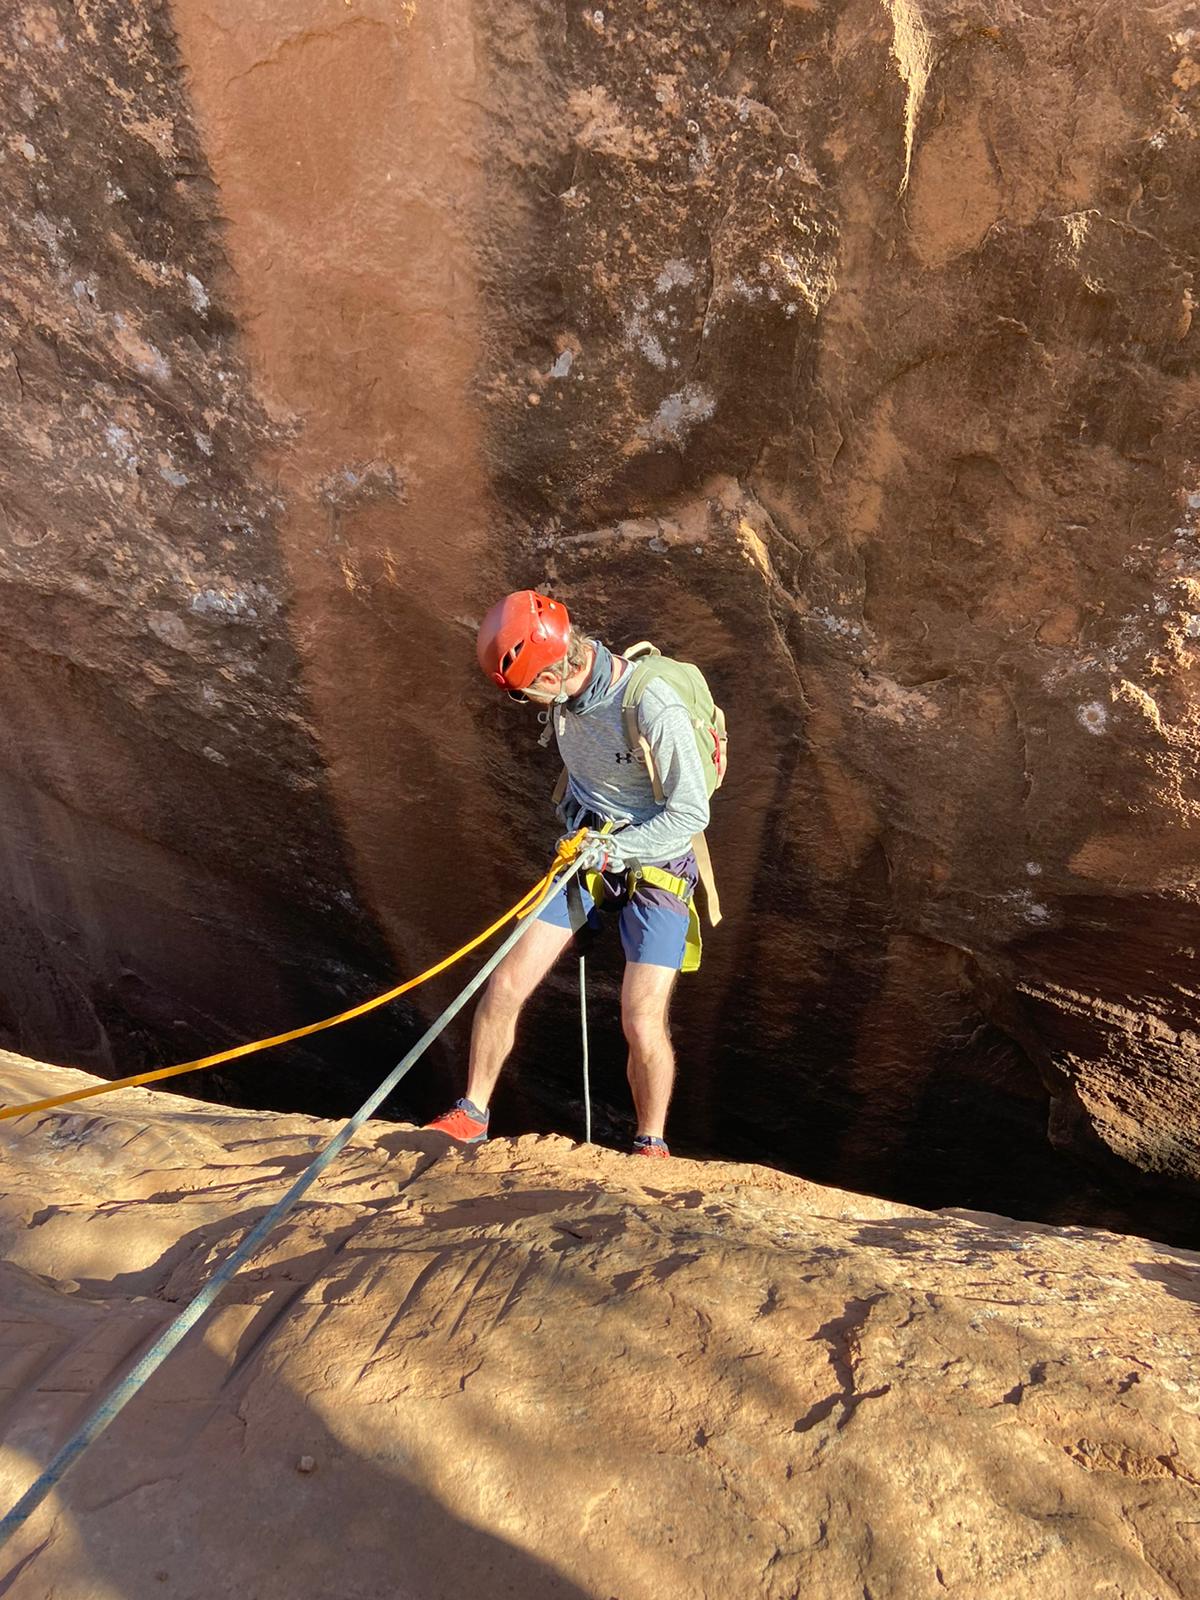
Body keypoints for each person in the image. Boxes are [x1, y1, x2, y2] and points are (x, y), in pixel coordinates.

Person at [425, 589, 711, 1158]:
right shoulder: (568, 696)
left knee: (640, 1015)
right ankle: (472, 1112)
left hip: (657, 863)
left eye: (528, 691)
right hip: (587, 853)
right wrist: (584, 831)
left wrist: (616, 850)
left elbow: (690, 813)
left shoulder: (654, 705)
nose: (527, 702)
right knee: (506, 982)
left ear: (557, 673)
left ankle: (651, 1143)